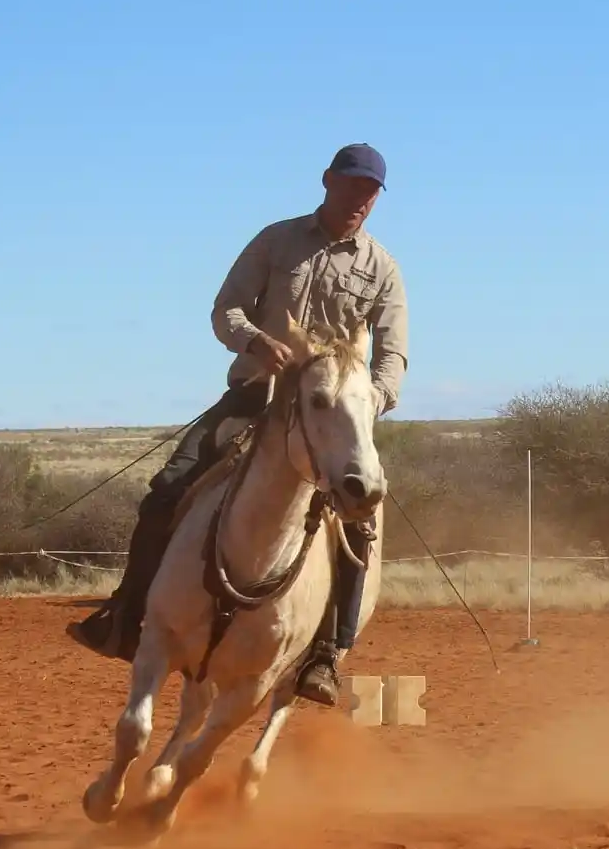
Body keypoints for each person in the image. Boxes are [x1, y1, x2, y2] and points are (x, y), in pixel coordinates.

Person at [67, 142, 407, 706]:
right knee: (165, 492)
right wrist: (254, 340)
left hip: (332, 420)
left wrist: (370, 399)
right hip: (257, 398)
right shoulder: (277, 241)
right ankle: (126, 618)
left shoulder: (382, 269)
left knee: (359, 521)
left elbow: (393, 354)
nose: (358, 199)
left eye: (369, 192)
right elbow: (226, 308)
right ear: (327, 181)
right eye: (350, 186)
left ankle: (325, 654)